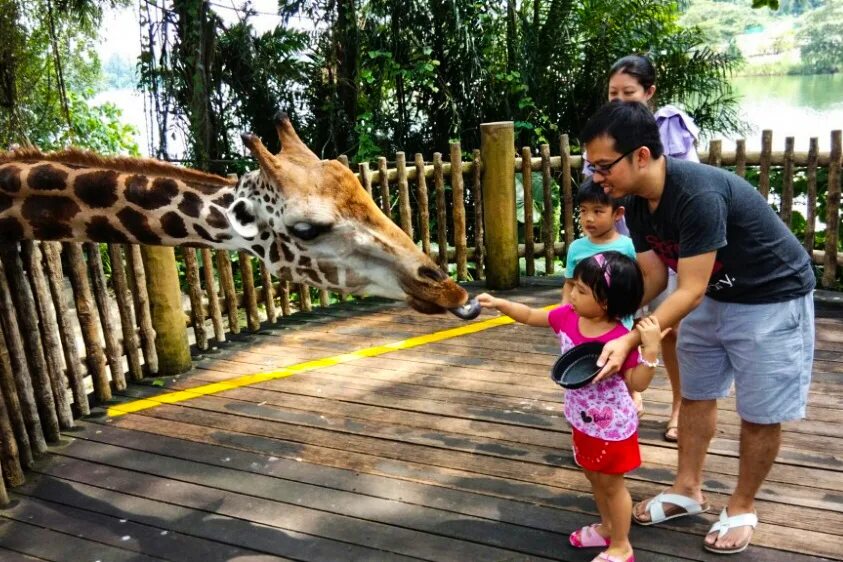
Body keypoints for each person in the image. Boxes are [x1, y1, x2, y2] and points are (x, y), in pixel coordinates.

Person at [581, 100, 815, 555]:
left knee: (761, 410)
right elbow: (652, 278)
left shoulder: (696, 194)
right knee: (697, 393)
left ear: (642, 155)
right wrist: (610, 318)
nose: (597, 177)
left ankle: (742, 505)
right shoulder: (639, 205)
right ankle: (687, 490)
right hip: (714, 296)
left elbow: (686, 290)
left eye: (604, 165)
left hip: (771, 297)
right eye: (593, 166)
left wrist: (632, 337)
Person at [478, 252, 665, 562]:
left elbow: (639, 382)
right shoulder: (567, 317)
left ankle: (621, 545)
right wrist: (502, 305)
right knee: (592, 476)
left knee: (612, 484)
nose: (571, 294)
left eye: (580, 290)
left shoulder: (619, 337)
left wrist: (651, 350)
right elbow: (530, 315)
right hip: (581, 420)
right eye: (573, 286)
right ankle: (607, 527)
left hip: (613, 427)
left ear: (605, 301)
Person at [605, 53, 700, 441]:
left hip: (669, 244)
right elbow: (599, 192)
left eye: (629, 92)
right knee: (623, 320)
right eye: (613, 93)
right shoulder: (605, 132)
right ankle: (629, 391)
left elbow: (685, 185)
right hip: (625, 245)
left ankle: (679, 405)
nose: (621, 100)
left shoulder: (668, 129)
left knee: (671, 329)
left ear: (650, 92)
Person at [561, 179, 643, 416]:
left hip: (618, 322)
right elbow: (568, 283)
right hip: (583, 321)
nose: (589, 219)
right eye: (584, 211)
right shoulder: (577, 248)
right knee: (587, 365)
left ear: (618, 214)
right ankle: (587, 413)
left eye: (598, 211)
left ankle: (632, 399)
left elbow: (634, 286)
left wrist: (630, 318)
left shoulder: (629, 247)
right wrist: (565, 310)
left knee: (622, 366)